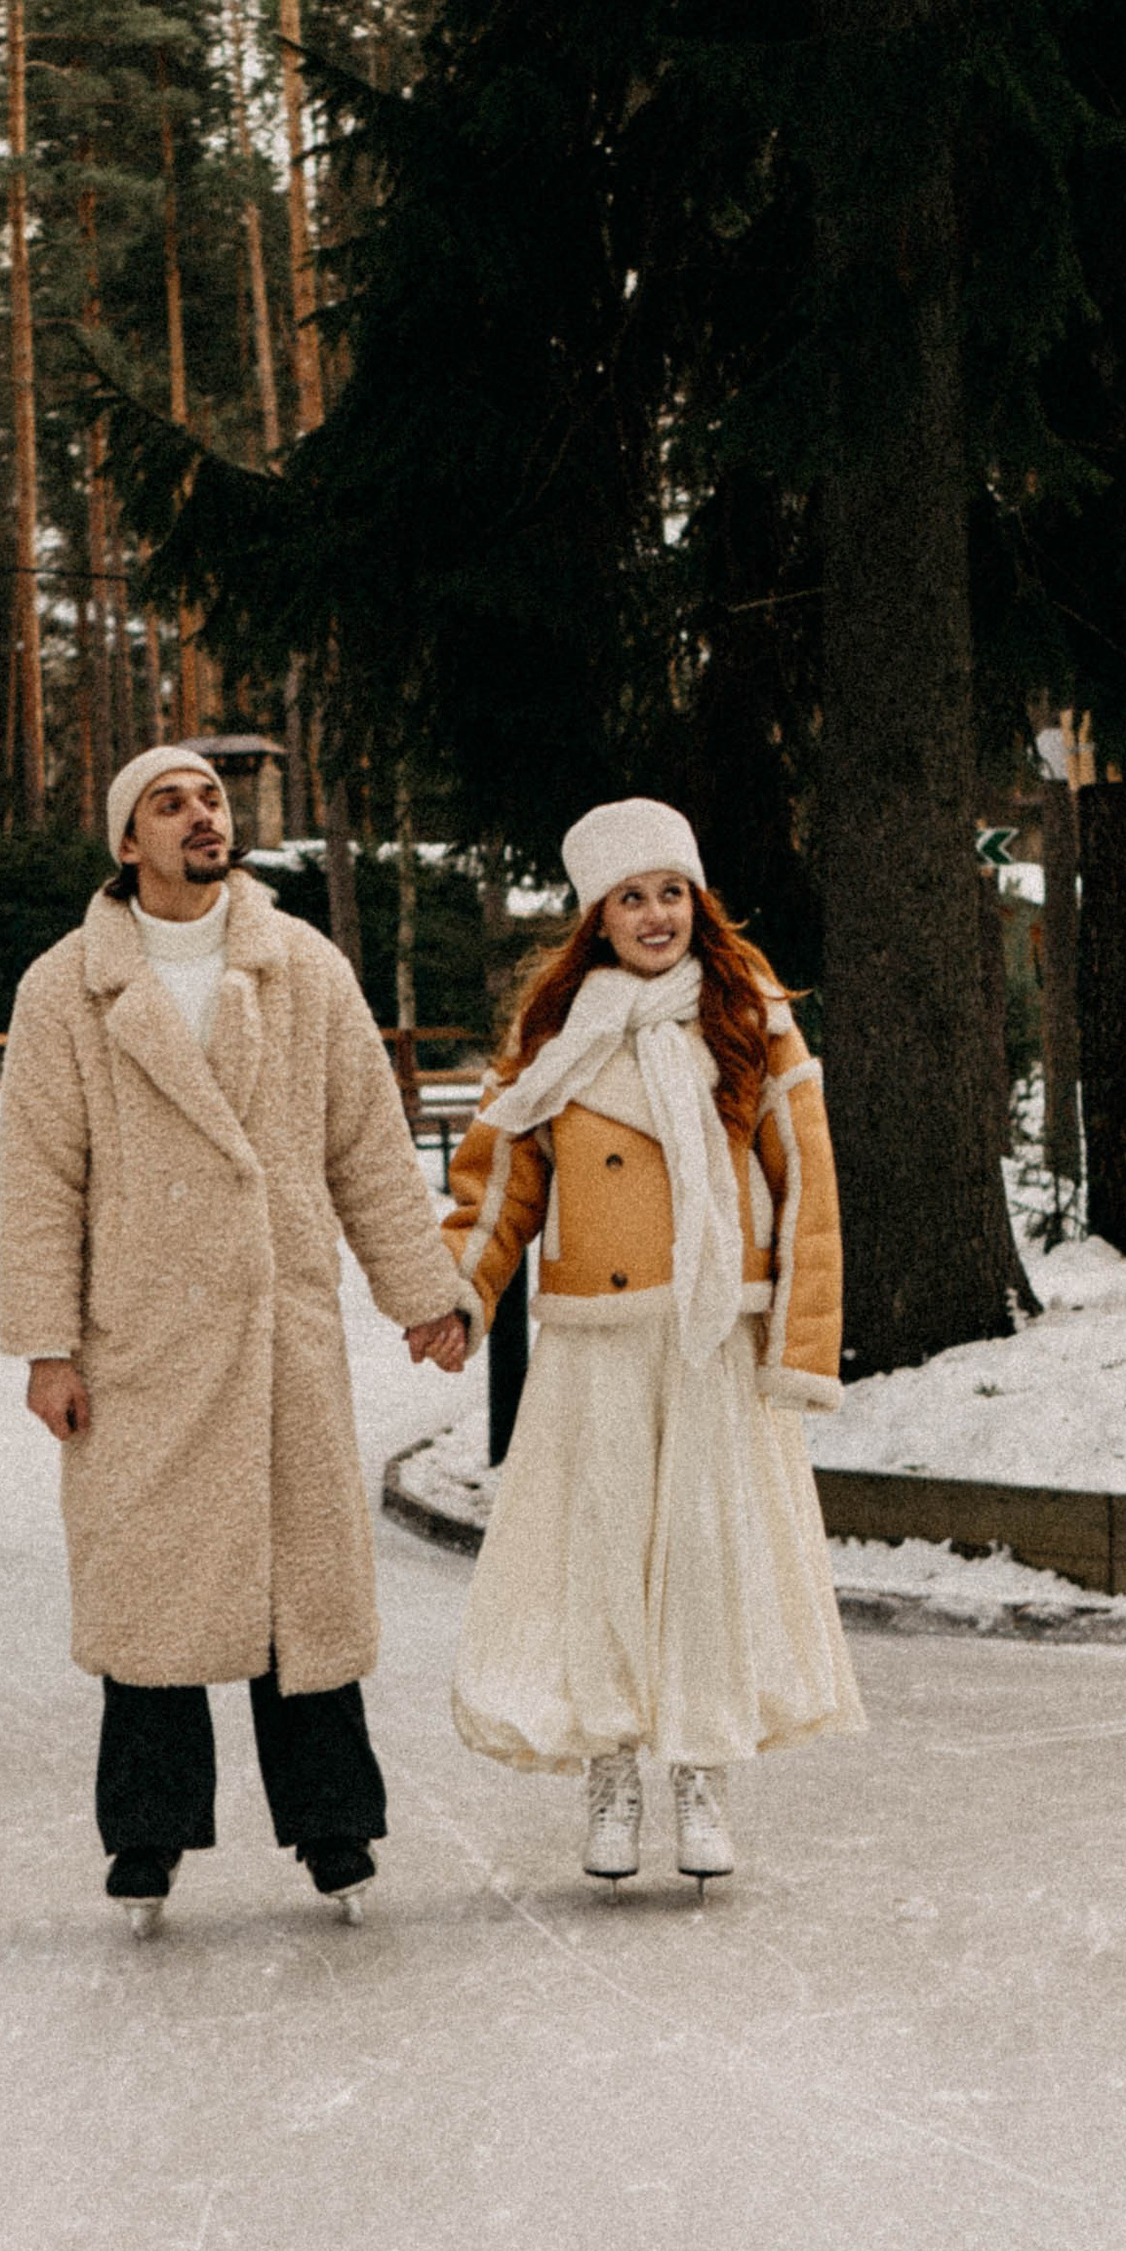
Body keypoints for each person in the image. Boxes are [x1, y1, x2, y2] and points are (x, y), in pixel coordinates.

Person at [0, 745, 471, 1935]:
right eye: (170, 805)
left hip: (276, 1332)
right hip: (140, 1342)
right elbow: (42, 1180)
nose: (202, 816)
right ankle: (146, 1837)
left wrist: (423, 1293)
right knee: (149, 1588)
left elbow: (367, 1148)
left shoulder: (301, 966)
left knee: (298, 1585)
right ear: (128, 844)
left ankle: (333, 1826)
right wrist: (47, 1346)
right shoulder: (66, 989)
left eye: (209, 798)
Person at [439, 798, 864, 1888]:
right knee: (603, 1558)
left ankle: (701, 1776)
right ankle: (613, 1774)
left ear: (697, 902)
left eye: (671, 891)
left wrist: (802, 1341)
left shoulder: (750, 1015)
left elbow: (806, 1183)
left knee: (705, 1560)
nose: (655, 914)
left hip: (711, 1337)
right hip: (597, 1342)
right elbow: (497, 1185)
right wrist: (456, 1296)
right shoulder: (552, 1034)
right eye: (630, 897)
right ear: (598, 917)